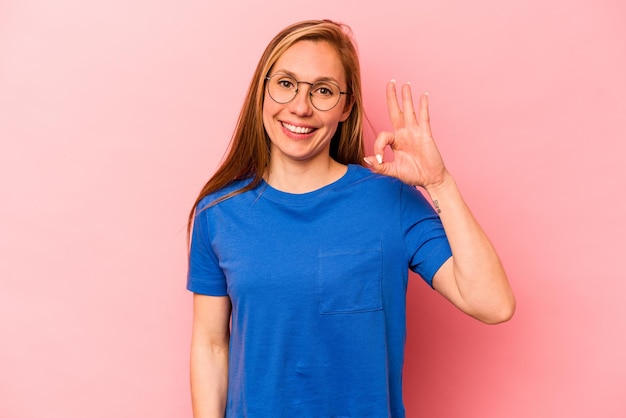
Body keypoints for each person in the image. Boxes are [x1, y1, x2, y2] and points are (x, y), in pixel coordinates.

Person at [187, 19, 515, 418]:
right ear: (263, 91)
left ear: (346, 107)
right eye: (286, 83)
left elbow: (493, 304)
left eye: (322, 90)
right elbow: (211, 345)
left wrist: (439, 183)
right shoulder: (218, 213)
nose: (301, 106)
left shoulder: (389, 198)